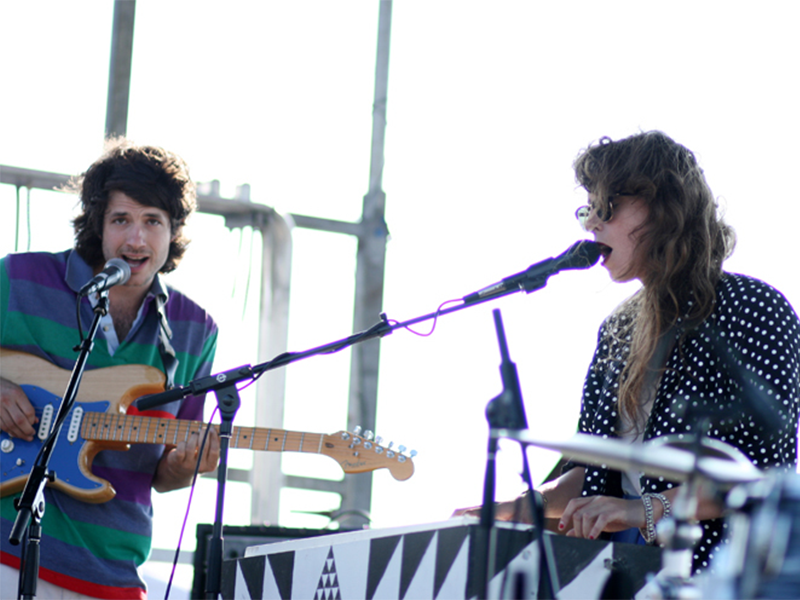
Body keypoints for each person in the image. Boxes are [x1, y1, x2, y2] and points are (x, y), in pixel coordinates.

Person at [456, 130, 800, 573]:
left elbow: (762, 474)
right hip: (621, 573)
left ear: (664, 207)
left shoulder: (752, 307)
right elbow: (595, 469)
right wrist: (522, 506)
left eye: (607, 208)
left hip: (722, 573)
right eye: (588, 211)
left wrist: (643, 510)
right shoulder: (618, 328)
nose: (593, 224)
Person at [1, 138, 221, 599]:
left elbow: (166, 473)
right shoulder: (17, 280)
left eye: (152, 222)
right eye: (121, 219)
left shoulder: (195, 329)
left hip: (110, 575)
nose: (136, 239)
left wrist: (187, 465)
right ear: (97, 225)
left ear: (173, 230)